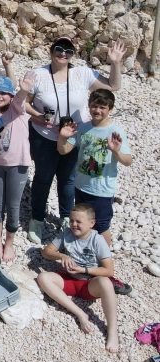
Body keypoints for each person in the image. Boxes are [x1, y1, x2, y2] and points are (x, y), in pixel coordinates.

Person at [24, 38, 126, 243]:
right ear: (51, 50)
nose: (63, 53)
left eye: (68, 50)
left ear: (73, 54)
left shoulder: (83, 73)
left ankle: (65, 216)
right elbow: (24, 103)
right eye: (59, 49)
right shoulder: (37, 74)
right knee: (43, 177)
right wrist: (39, 116)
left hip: (76, 137)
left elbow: (113, 86)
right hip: (44, 136)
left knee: (68, 179)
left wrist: (115, 63)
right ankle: (37, 218)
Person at [36, 204, 119, 353]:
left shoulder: (97, 240)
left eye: (79, 222)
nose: (74, 224)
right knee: (43, 277)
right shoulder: (66, 233)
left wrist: (84, 269)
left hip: (88, 284)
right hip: (68, 279)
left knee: (106, 283)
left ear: (91, 223)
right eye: (72, 220)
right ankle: (80, 313)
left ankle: (112, 331)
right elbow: (46, 252)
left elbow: (109, 270)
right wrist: (61, 255)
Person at [57, 89, 132, 247]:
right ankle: (87, 251)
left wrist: (116, 151)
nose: (97, 110)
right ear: (89, 106)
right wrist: (62, 137)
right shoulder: (83, 128)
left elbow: (128, 161)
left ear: (110, 109)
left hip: (102, 191)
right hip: (80, 187)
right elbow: (63, 150)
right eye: (94, 106)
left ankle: (105, 260)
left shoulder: (115, 131)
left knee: (102, 226)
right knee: (83, 222)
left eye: (102, 107)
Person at [0, 75, 33, 263]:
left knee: (13, 206)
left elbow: (20, 99)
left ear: (10, 95)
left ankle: (9, 243)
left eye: (4, 93)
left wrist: (22, 90)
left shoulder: (18, 109)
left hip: (18, 165)